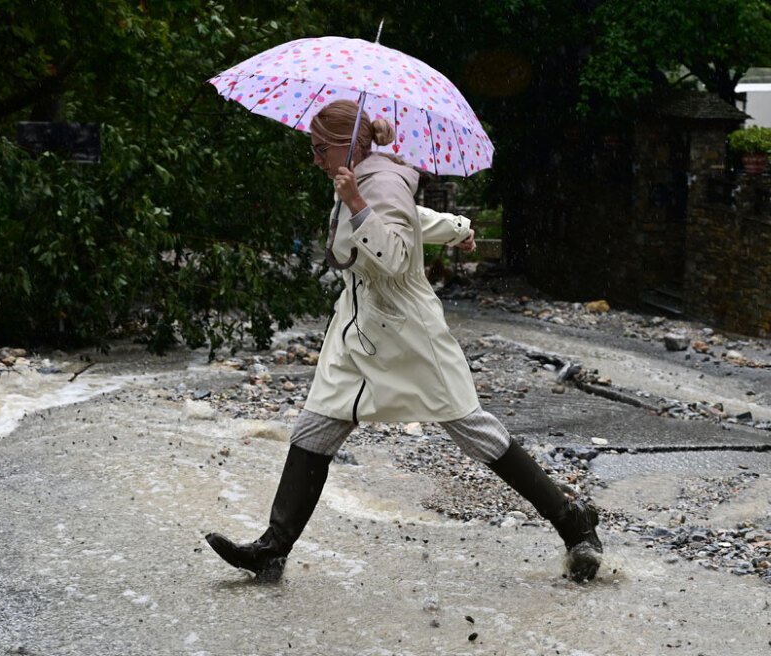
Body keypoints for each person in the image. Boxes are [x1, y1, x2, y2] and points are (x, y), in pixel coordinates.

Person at [205, 99, 602, 583]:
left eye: (318, 149)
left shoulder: (375, 180)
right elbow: (410, 219)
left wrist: (354, 203)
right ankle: (273, 547)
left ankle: (571, 520)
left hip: (407, 332)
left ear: (344, 144)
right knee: (315, 428)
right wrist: (457, 229)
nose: (314, 158)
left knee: (473, 429)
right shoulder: (362, 174)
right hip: (360, 327)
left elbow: (393, 255)